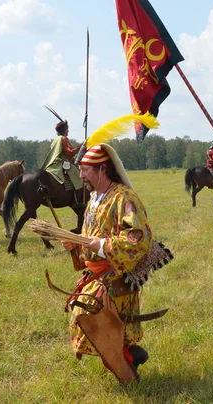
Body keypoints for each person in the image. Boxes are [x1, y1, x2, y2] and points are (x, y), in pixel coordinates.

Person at [62, 143, 153, 382]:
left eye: (85, 170)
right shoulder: (94, 197)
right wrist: (76, 245)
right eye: (79, 170)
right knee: (98, 324)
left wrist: (102, 245)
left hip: (116, 274)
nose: (81, 175)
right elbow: (88, 233)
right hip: (96, 274)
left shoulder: (124, 198)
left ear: (102, 169)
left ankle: (128, 370)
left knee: (91, 317)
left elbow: (138, 238)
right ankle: (132, 356)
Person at [41, 107, 83, 191]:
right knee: (80, 177)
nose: (68, 131)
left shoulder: (55, 140)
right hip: (62, 164)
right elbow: (69, 153)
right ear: (65, 130)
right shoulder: (63, 138)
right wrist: (81, 146)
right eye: (67, 129)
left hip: (53, 164)